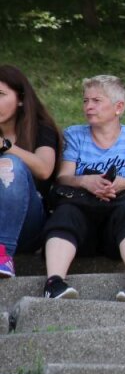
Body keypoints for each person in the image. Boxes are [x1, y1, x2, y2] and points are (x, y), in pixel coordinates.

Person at [41, 75, 125, 302]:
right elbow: (64, 177)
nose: (89, 106)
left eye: (96, 100)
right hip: (81, 218)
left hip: (119, 218)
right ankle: (53, 283)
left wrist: (124, 183)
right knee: (65, 213)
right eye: (86, 101)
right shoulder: (74, 134)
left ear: (119, 107)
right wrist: (85, 181)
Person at [0, 65, 62, 278]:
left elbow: (44, 169)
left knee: (11, 164)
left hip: (29, 227)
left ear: (20, 99)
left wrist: (6, 146)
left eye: (0, 94)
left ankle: (2, 254)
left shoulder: (41, 129)